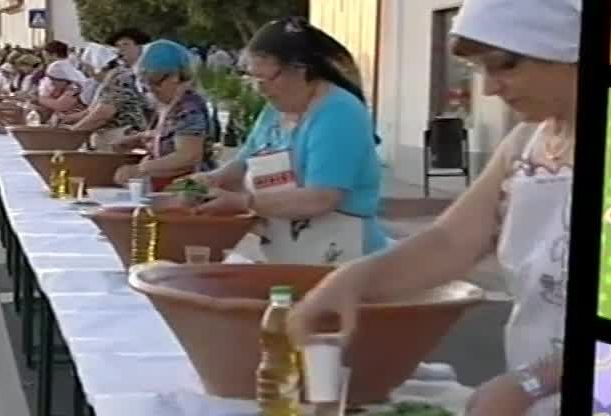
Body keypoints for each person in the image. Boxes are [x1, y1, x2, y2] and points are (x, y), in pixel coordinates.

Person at [287, 0, 581, 416]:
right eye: (480, 69)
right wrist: (353, 280)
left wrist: (536, 381)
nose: (491, 87)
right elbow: (450, 241)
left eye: (507, 65)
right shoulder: (526, 145)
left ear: (569, 47)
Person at [185, 17, 386, 266]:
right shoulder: (275, 110)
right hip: (284, 249)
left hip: (341, 254)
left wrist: (244, 202)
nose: (259, 89)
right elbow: (245, 161)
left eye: (265, 79)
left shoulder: (339, 113)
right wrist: (210, 180)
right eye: (253, 79)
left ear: (299, 69)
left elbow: (322, 197)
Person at [112, 40, 216, 189]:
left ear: (174, 77)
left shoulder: (188, 108)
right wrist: (138, 139)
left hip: (188, 190)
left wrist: (140, 169)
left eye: (155, 82)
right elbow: (169, 136)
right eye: (145, 84)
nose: (151, 90)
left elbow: (189, 156)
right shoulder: (167, 104)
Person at [67, 44, 149, 149]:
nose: (86, 72)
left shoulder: (119, 78)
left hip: (123, 136)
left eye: (87, 67)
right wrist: (69, 120)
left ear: (96, 66)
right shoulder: (110, 78)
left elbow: (103, 113)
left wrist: (72, 132)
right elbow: (93, 111)